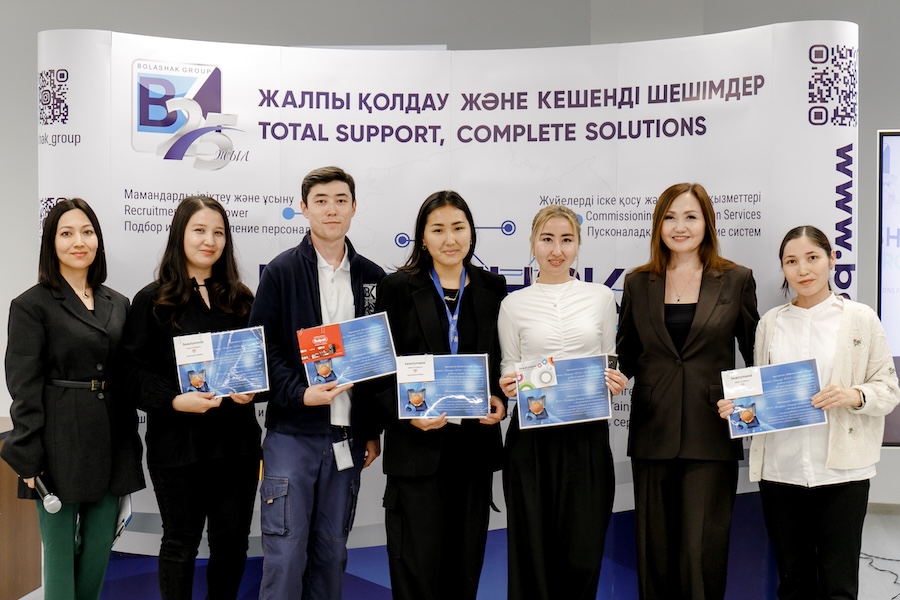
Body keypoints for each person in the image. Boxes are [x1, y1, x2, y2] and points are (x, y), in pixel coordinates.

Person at [717, 225, 900, 599]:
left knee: (838, 586)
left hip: (842, 473)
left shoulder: (860, 318)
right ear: (783, 268)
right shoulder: (771, 323)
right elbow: (761, 392)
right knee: (793, 583)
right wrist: (737, 406)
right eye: (791, 261)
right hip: (781, 471)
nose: (802, 270)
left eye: (812, 258)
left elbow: (888, 390)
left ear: (832, 259)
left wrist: (853, 395)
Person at [616, 182, 759, 600]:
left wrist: (750, 402)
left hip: (711, 433)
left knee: (701, 555)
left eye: (691, 217)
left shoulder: (736, 279)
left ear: (707, 223)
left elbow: (757, 354)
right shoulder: (638, 282)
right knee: (655, 555)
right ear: (658, 225)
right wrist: (606, 381)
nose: (680, 226)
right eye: (670, 217)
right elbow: (626, 356)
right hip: (652, 433)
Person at [249, 166, 384, 599]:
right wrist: (300, 393)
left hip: (347, 437)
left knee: (332, 554)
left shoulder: (373, 278)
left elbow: (380, 363)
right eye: (321, 201)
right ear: (303, 208)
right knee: (286, 555)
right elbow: (263, 351)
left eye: (341, 200)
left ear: (354, 207)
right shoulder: (281, 272)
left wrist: (371, 429)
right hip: (293, 434)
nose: (331, 209)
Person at [0, 198, 145, 600]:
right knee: (60, 558)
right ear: (51, 242)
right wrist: (28, 456)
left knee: (97, 553)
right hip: (57, 445)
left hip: (112, 443)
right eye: (66, 233)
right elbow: (23, 386)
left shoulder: (118, 303)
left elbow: (128, 374)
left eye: (87, 232)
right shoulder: (31, 305)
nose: (79, 241)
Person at [120, 196, 260, 599]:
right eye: (199, 230)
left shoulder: (241, 299)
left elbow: (260, 366)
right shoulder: (152, 300)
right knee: (180, 544)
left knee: (232, 546)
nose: (209, 241)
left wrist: (253, 388)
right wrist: (173, 401)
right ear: (180, 235)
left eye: (218, 232)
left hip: (236, 445)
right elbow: (131, 373)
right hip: (178, 445)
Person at [373, 191, 508, 600]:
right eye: (438, 230)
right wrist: (406, 414)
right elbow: (378, 371)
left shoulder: (492, 287)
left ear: (471, 232)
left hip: (473, 451)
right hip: (417, 452)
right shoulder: (396, 288)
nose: (450, 239)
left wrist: (499, 400)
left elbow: (500, 361)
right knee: (416, 572)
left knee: (464, 572)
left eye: (458, 228)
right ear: (423, 237)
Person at [497, 205, 626, 600]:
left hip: (587, 438)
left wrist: (615, 380)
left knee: (583, 553)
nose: (557, 250)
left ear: (578, 245)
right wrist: (509, 384)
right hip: (531, 441)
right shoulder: (513, 304)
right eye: (547, 239)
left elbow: (609, 359)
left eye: (566, 240)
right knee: (532, 553)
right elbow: (509, 366)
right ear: (533, 243)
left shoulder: (600, 296)